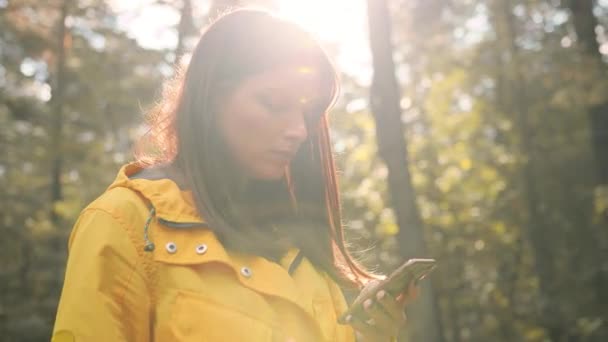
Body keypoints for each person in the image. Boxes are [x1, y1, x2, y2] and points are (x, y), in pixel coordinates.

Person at [52, 8, 419, 342]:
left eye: (306, 114)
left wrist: (374, 338)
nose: (299, 131)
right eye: (274, 104)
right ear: (211, 97)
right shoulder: (124, 224)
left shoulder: (303, 253)